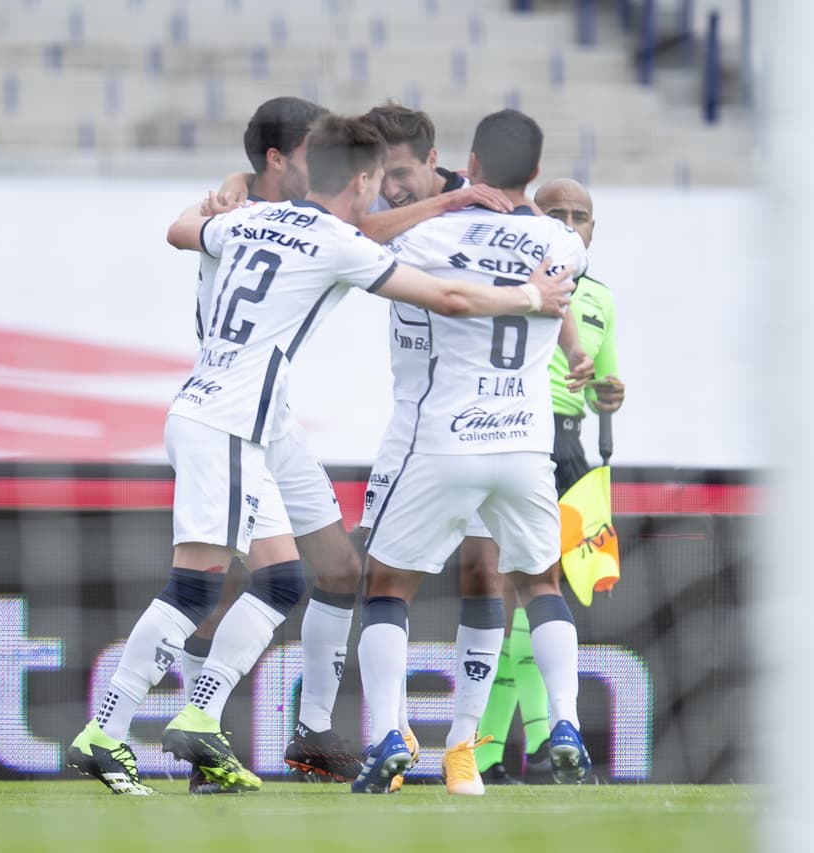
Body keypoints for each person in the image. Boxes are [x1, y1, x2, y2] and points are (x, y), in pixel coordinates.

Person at [65, 113, 574, 796]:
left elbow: (180, 228)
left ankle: (200, 716)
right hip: (231, 420)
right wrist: (530, 295)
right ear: (361, 180)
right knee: (193, 586)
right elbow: (450, 297)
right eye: (378, 182)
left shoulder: (245, 219)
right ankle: (104, 730)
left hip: (225, 410)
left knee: (282, 579)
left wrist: (225, 191)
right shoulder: (337, 240)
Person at [352, 109, 595, 797]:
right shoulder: (560, 239)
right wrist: (570, 342)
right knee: (541, 583)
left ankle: (393, 734)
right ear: (537, 176)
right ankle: (565, 724)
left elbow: (360, 241)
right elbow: (556, 282)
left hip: (441, 434)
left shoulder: (429, 233)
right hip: (523, 439)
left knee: (389, 586)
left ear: (465, 163)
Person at [176, 96, 370, 792]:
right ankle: (199, 735)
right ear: (281, 160)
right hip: (230, 410)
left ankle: (313, 734)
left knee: (339, 566)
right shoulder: (239, 217)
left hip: (273, 415)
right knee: (235, 578)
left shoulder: (248, 208)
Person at [475, 177, 626, 785]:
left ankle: (513, 749)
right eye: (553, 211)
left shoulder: (602, 300)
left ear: (592, 229)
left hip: (569, 448)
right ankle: (517, 745)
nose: (567, 222)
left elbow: (602, 385)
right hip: (512, 436)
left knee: (543, 594)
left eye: (579, 215)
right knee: (514, 593)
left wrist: (609, 395)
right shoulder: (509, 280)